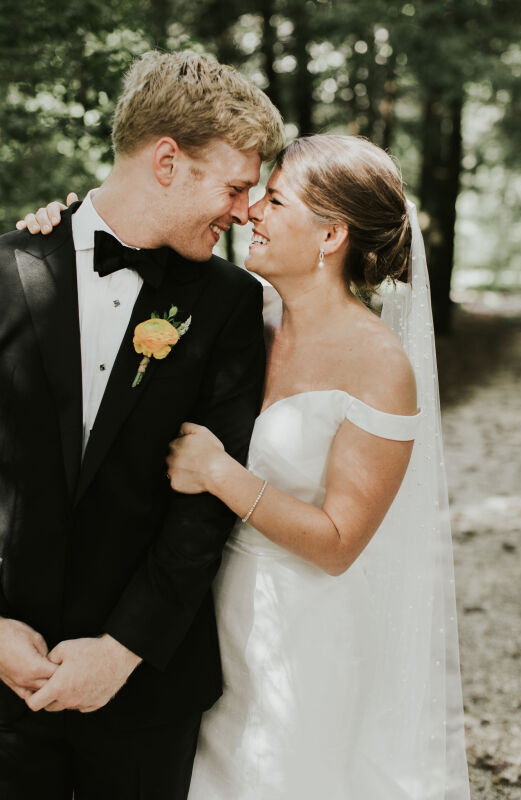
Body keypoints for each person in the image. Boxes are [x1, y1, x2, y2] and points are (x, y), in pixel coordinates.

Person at [26, 135, 471, 798]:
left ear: (329, 236)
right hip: (204, 629)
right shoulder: (243, 319)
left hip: (302, 638)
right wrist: (61, 232)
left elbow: (339, 544)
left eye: (274, 199)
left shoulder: (380, 366)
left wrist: (220, 475)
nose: (249, 213)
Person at [0, 50, 283, 800]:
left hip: (146, 689)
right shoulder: (5, 272)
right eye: (234, 186)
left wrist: (124, 649)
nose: (243, 210)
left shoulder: (228, 305)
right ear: (167, 162)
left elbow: (203, 505)